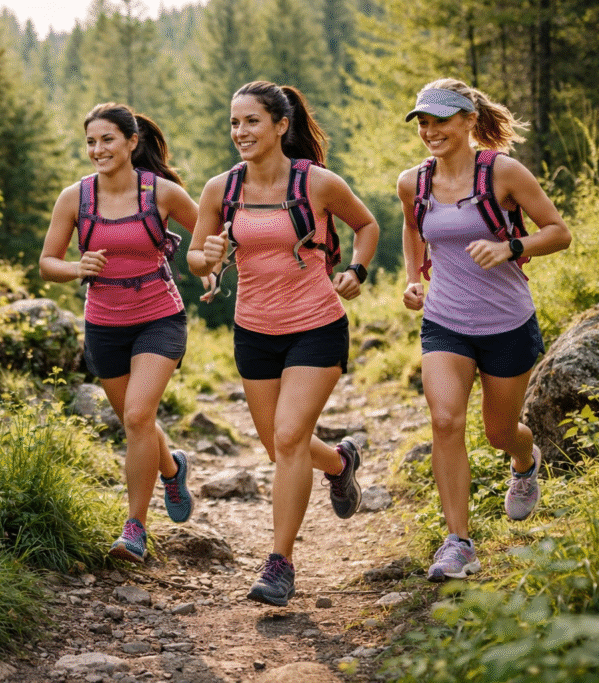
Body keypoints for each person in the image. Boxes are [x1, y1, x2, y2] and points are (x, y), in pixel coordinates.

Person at [187, 81, 380, 606]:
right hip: (254, 331)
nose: (240, 132)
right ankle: (339, 463)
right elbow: (196, 258)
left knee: (290, 437)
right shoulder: (220, 189)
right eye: (234, 122)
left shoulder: (317, 183)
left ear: (280, 125)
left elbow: (366, 224)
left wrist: (357, 269)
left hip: (316, 324)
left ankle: (280, 563)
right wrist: (208, 257)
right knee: (278, 445)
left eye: (251, 121)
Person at [396, 78, 572, 582]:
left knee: (499, 432)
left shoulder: (503, 173)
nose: (430, 131)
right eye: (423, 122)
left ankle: (524, 460)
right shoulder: (413, 182)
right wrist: (413, 279)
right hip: (445, 322)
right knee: (445, 420)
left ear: (469, 120)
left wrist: (510, 247)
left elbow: (559, 233)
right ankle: (459, 543)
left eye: (441, 121)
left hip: (506, 323)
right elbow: (412, 227)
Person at [39, 102, 202, 563]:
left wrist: (211, 264)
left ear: (131, 142)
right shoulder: (75, 198)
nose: (98, 149)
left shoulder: (162, 193)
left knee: (136, 415)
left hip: (158, 317)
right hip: (104, 325)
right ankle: (171, 469)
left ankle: (135, 528)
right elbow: (47, 263)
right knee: (138, 421)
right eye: (91, 141)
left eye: (107, 139)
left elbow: (210, 232)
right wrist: (77, 267)